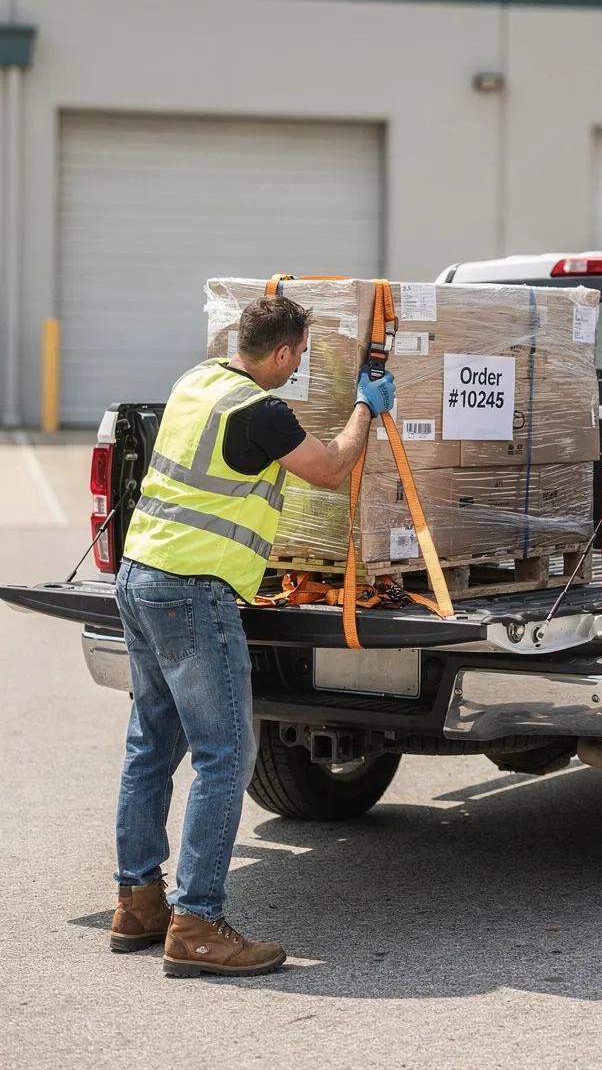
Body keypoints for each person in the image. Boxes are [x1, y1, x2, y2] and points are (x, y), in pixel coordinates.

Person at [107, 293, 395, 977]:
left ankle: (138, 901)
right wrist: (366, 407)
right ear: (286, 353)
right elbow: (329, 469)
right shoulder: (260, 409)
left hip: (140, 576)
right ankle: (197, 923)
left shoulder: (196, 381)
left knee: (152, 743)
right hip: (192, 592)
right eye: (297, 360)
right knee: (227, 755)